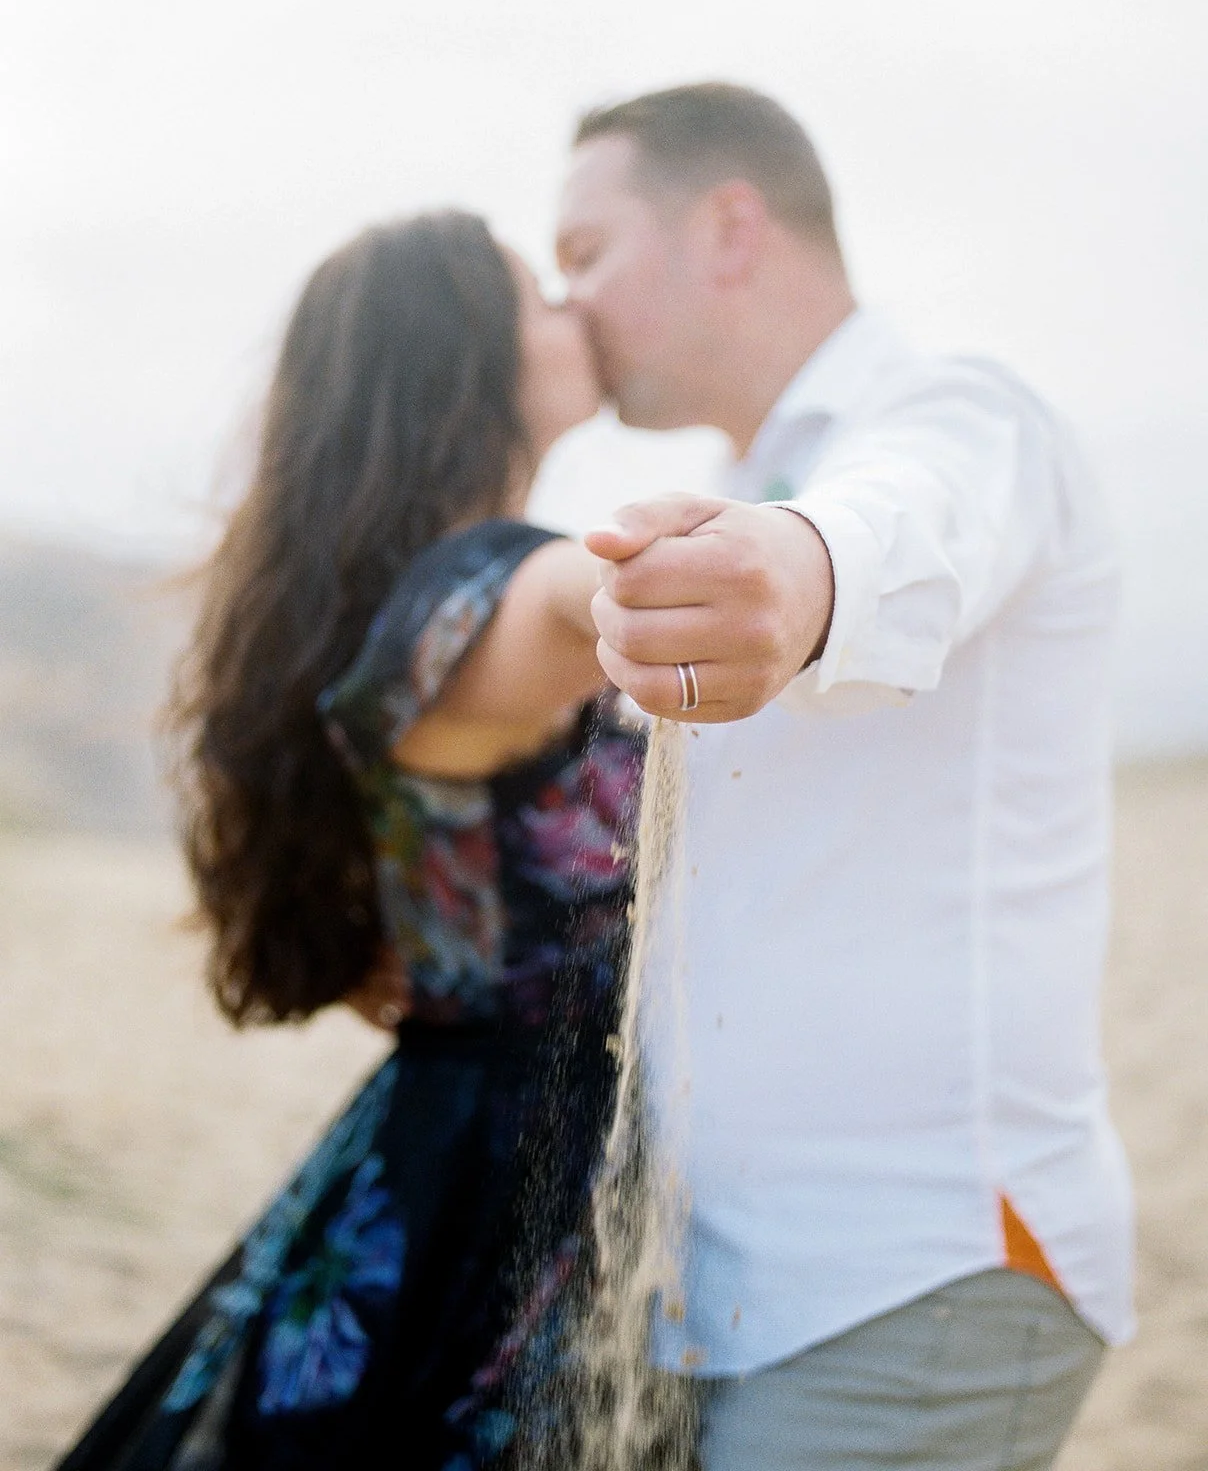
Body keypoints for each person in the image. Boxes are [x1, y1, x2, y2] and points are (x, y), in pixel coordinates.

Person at [553, 83, 1132, 1470]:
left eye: (588, 255)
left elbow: (905, 518)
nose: (570, 307)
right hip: (725, 1294)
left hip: (916, 1273)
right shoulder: (731, 482)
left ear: (730, 227)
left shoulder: (959, 412)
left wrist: (805, 576)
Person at [56, 212, 644, 1470]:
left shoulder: (412, 593)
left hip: (446, 1136)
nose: (573, 308)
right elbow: (577, 596)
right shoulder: (491, 589)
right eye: (538, 293)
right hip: (510, 1174)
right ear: (464, 358)